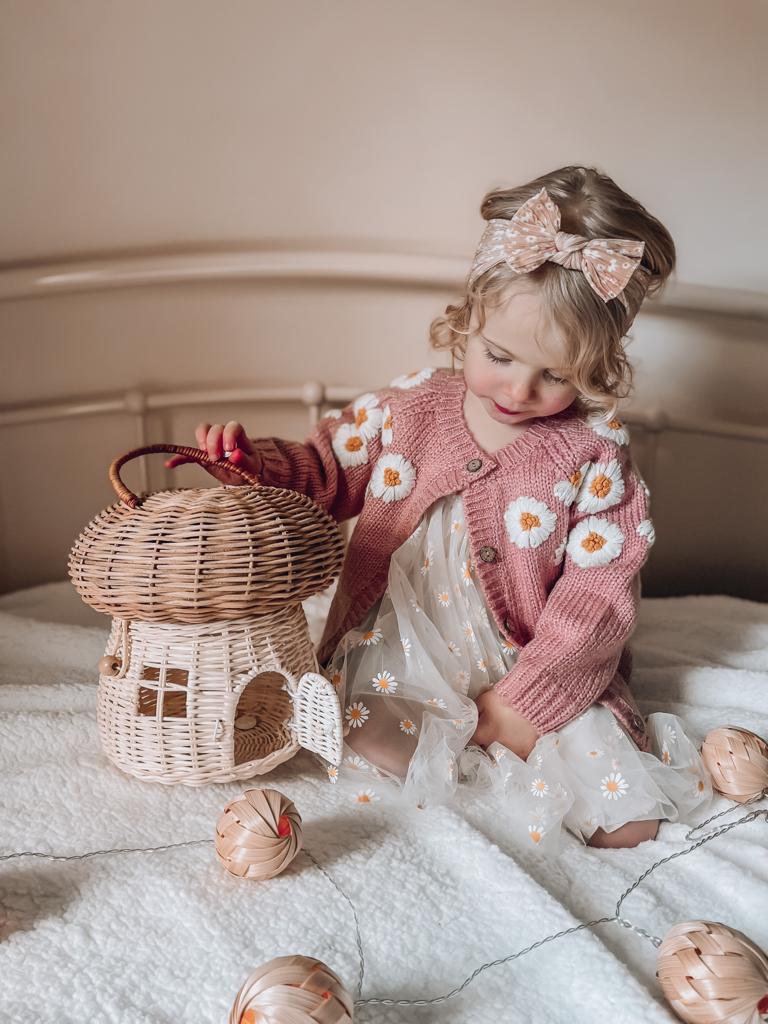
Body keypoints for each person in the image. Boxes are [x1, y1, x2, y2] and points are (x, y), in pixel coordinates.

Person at [167, 165, 712, 855]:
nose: (518, 388)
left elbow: (598, 599)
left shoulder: (594, 453)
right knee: (349, 728)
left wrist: (526, 701)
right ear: (469, 317)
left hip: (534, 662)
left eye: (555, 375)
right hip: (403, 654)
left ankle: (509, 739)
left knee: (626, 821)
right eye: (499, 355)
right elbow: (325, 470)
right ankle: (462, 761)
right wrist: (255, 466)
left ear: (599, 364)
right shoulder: (414, 406)